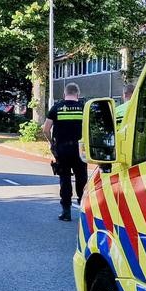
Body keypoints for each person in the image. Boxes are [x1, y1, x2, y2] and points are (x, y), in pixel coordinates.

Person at [43, 83, 87, 221]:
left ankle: (66, 212)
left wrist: (52, 143)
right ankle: (83, 207)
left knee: (65, 179)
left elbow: (45, 129)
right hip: (80, 149)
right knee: (82, 178)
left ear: (64, 94)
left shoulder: (56, 108)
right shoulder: (84, 108)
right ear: (78, 94)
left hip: (62, 150)